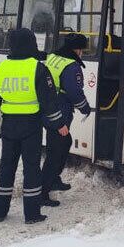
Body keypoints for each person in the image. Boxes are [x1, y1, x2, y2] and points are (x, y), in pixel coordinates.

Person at [0, 28, 66, 224]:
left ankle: (0, 211)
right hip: (31, 128)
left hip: (8, 126)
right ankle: (32, 214)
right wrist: (59, 124)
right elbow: (49, 101)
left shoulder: (1, 68)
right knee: (31, 170)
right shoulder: (38, 68)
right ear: (32, 44)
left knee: (6, 168)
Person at [41, 33, 91, 206]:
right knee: (56, 152)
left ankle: (53, 179)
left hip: (49, 110)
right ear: (76, 50)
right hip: (59, 113)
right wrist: (85, 108)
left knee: (63, 144)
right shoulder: (71, 66)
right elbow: (74, 92)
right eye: (82, 50)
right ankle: (42, 192)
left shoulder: (54, 57)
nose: (82, 54)